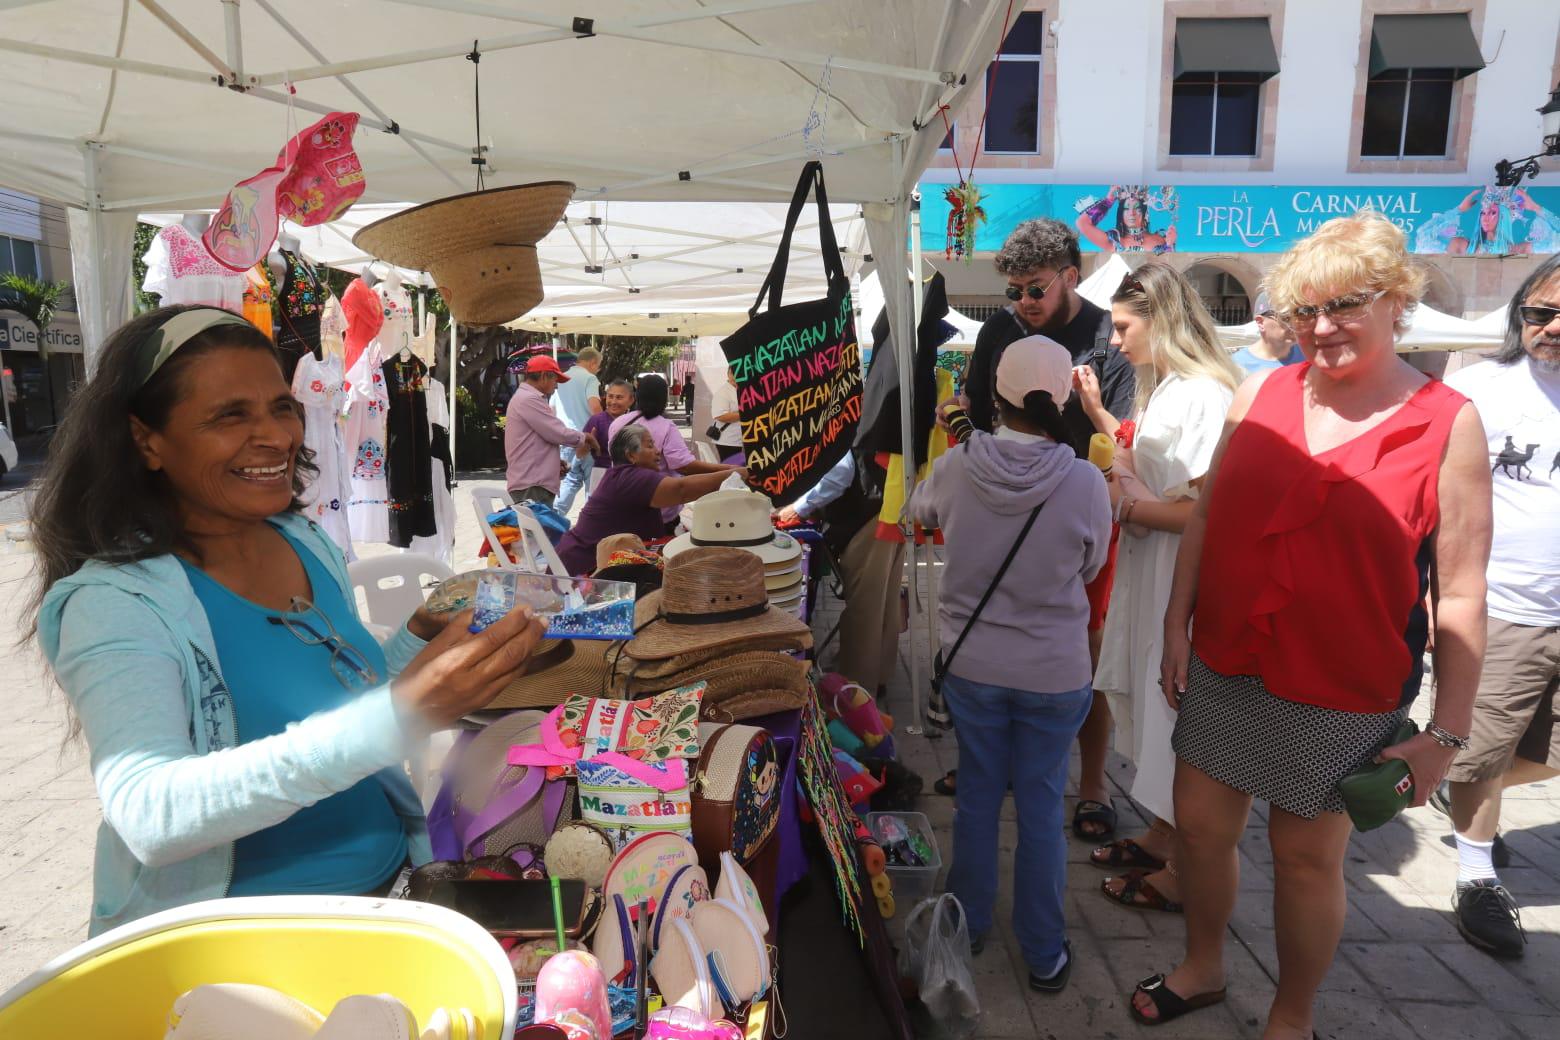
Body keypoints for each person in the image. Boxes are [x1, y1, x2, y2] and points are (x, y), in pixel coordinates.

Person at [27, 306, 548, 936]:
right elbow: (150, 813)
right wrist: (400, 716)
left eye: (281, 407)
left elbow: (339, 698)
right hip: (243, 947)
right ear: (147, 441)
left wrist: (415, 639)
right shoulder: (113, 602)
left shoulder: (303, 539)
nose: (276, 436)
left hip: (390, 895)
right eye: (230, 415)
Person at [1137, 212, 1489, 1037]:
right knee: (1198, 827)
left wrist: (1446, 734)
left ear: (1397, 299)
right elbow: (1207, 515)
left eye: (1344, 305)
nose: (1320, 328)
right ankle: (1204, 966)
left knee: (1304, 861)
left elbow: (1464, 594)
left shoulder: (1449, 421)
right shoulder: (1262, 390)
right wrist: (1174, 625)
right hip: (1228, 658)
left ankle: (1290, 1017)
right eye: (1303, 311)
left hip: (1345, 687)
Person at [908, 335, 1111, 994]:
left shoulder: (960, 465)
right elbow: (1091, 567)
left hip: (975, 667)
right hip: (1056, 674)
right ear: (1060, 400)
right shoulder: (1083, 478)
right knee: (1043, 808)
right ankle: (1044, 951)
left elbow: (920, 515)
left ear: (991, 396)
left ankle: (967, 929)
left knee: (975, 802)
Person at [941, 217, 1135, 833]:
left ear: (1070, 277)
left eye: (1035, 289)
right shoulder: (1001, 328)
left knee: (1087, 651)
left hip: (1082, 508)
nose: (1023, 303)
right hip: (1004, 505)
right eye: (1014, 291)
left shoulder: (1108, 335)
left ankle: (1094, 784)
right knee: (994, 635)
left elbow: (1118, 439)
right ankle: (989, 765)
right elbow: (978, 413)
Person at [1082, 262, 1241, 916]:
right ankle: (1165, 833)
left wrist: (1132, 507)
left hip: (1182, 581)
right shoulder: (1172, 387)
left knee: (1175, 719)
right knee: (1156, 714)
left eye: (1124, 327)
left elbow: (1210, 512)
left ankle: (1181, 868)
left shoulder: (1203, 395)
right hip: (1155, 575)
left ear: (1162, 319)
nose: (1116, 342)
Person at [1437, 253, 1560, 959]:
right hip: (1506, 605)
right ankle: (1475, 876)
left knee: (1528, 756)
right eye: (1539, 312)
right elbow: (1439, 503)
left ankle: (1451, 779)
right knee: (1483, 749)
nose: (1551, 327)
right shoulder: (1480, 387)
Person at [556, 424, 738, 575]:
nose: (658, 452)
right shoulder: (631, 477)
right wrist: (737, 473)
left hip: (588, 561)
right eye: (650, 446)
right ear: (631, 455)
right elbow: (681, 489)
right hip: (584, 570)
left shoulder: (622, 475)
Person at [609, 374, 738, 529]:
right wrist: (728, 470)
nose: (655, 451)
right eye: (650, 446)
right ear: (664, 397)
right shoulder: (665, 427)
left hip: (623, 502)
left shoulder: (619, 423)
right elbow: (684, 465)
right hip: (659, 509)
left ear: (638, 396)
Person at [504, 355, 598, 506]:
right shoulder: (529, 399)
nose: (556, 386)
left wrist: (552, 462)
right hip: (532, 483)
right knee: (539, 528)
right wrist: (585, 438)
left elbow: (540, 437)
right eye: (555, 379)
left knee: (543, 527)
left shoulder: (527, 397)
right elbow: (557, 432)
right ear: (543, 376)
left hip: (532, 481)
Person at [552, 346, 603, 515]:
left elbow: (551, 409)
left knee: (570, 481)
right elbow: (595, 406)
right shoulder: (590, 378)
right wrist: (605, 425)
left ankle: (553, 521)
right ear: (593, 363)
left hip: (566, 439)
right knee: (592, 485)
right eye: (598, 366)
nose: (598, 370)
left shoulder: (561, 378)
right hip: (588, 439)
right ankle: (591, 523)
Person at [1076, 185, 1177, 254]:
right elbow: (1082, 223)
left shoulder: (1161, 238)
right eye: (1126, 208)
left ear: (1144, 212)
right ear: (1121, 213)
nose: (1131, 213)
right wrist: (1107, 202)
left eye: (1137, 208)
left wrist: (1169, 245)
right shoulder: (1114, 241)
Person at [1231, 291, 1304, 374]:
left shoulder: (1309, 356)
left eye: (1299, 315)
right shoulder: (1238, 365)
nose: (1294, 323)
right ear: (1260, 322)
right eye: (1285, 317)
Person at [584, 379, 633, 486]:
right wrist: (587, 443)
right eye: (610, 396)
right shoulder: (596, 420)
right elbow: (579, 454)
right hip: (601, 474)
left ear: (631, 400)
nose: (613, 402)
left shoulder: (635, 421)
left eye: (619, 397)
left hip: (629, 475)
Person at [709, 369, 745, 464]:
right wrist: (745, 414)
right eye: (732, 373)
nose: (734, 376)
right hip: (728, 440)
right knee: (731, 471)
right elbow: (720, 415)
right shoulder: (723, 392)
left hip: (737, 439)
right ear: (728, 374)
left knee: (737, 470)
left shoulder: (740, 389)